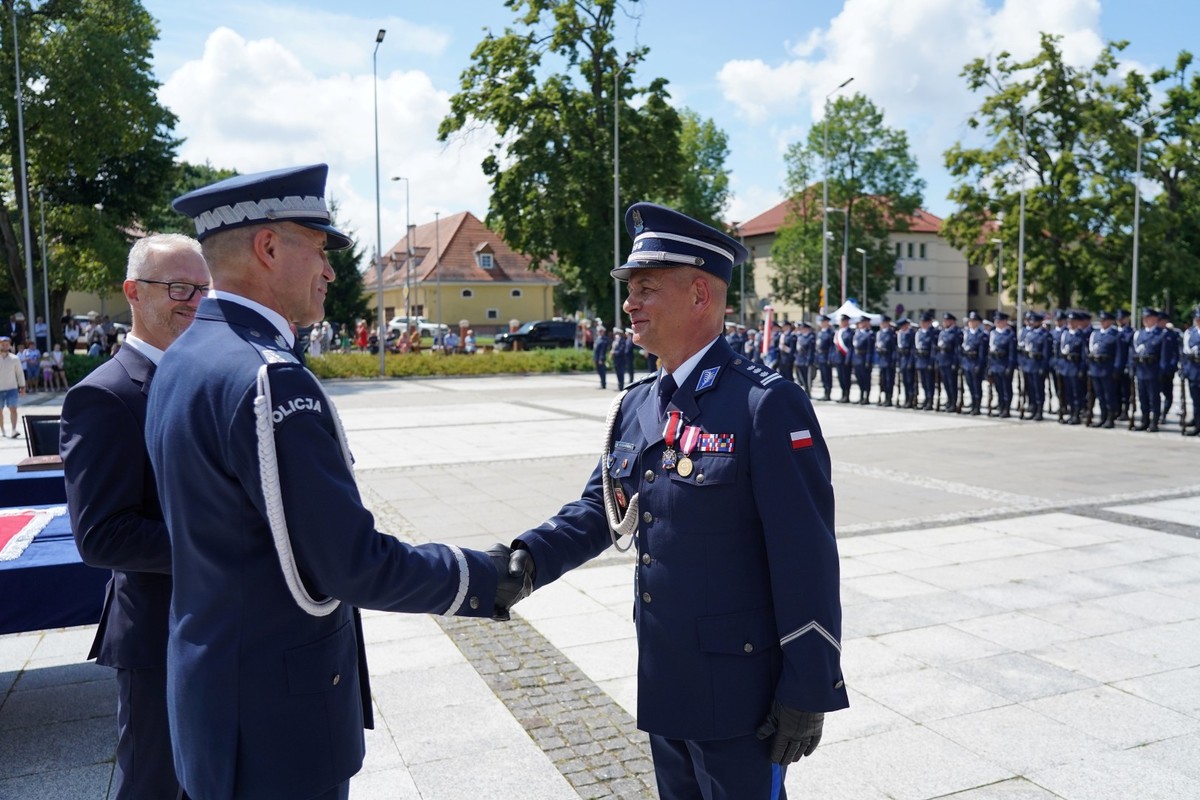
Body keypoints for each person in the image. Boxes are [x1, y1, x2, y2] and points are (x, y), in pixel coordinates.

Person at [153, 164, 527, 800]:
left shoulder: (186, 356)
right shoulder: (268, 376)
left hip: (215, 696)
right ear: (269, 248)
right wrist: (483, 575)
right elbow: (350, 564)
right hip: (276, 720)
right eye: (320, 249)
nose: (330, 271)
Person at [508, 202, 846, 799]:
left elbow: (806, 557)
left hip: (745, 697)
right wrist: (523, 561)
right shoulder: (639, 405)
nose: (629, 304)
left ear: (698, 295)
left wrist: (809, 687)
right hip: (666, 676)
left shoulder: (764, 406)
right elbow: (599, 510)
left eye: (644, 289)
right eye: (629, 290)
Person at [59, 234, 211, 800]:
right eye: (177, 287)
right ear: (132, 293)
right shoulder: (104, 396)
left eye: (202, 288)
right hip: (157, 634)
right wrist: (223, 542)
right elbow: (102, 535)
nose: (193, 301)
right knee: (155, 785)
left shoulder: (202, 378)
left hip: (216, 624)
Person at [1131, 307, 1165, 431]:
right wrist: (1132, 368)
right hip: (1141, 369)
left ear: (1155, 319)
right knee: (1142, 397)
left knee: (1154, 398)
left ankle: (1154, 422)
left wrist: (1162, 371)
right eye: (1144, 318)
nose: (1146, 320)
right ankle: (1144, 420)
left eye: (1148, 318)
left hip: (1153, 370)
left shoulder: (1161, 334)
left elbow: (1164, 355)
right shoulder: (1139, 333)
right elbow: (1132, 352)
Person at [1087, 310, 1120, 428]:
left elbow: (1118, 354)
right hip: (1096, 368)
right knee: (1100, 395)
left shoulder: (1115, 335)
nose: (1102, 322)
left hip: (1108, 369)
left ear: (1110, 321)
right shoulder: (1095, 334)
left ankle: (1110, 418)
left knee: (1109, 395)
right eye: (1101, 320)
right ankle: (1103, 417)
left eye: (1104, 320)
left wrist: (1116, 369)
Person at [987, 312, 1017, 417]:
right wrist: (989, 366)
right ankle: (1001, 406)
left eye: (999, 321)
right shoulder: (993, 333)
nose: (997, 322)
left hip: (1004, 365)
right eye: (996, 321)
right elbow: (989, 352)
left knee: (1006, 389)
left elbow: (1012, 354)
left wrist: (1010, 367)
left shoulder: (1010, 334)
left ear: (1004, 322)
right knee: (998, 388)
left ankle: (1006, 409)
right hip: (995, 364)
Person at [960, 312, 988, 415]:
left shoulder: (981, 335)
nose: (971, 323)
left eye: (973, 321)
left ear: (978, 323)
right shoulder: (966, 334)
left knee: (977, 386)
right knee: (970, 385)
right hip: (967, 362)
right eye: (970, 321)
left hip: (975, 362)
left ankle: (977, 406)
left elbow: (982, 353)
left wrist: (980, 365)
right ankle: (972, 404)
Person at [1157, 311, 1181, 422]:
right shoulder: (1155, 334)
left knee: (1168, 395)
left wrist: (1172, 367)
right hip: (1155, 371)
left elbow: (1175, 353)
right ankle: (1155, 414)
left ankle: (1164, 414)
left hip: (1167, 370)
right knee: (1154, 394)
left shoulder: (1172, 334)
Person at [936, 312, 962, 412]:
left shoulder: (956, 332)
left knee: (952, 384)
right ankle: (949, 400)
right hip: (942, 360)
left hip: (950, 361)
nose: (945, 322)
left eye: (947, 321)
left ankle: (953, 402)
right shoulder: (943, 332)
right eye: (944, 320)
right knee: (946, 383)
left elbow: (957, 350)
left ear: (952, 321)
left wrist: (955, 363)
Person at [0, 336, 25, 437]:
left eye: (7, 344)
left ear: (9, 345)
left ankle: (14, 430)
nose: (5, 346)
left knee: (13, 408)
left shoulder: (15, 358)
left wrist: (22, 386)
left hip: (12, 388)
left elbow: (19, 373)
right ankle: (2, 430)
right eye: (2, 344)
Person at [1181, 307, 1200, 436]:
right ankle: (1198, 425)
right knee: (1196, 401)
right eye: (1197, 319)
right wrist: (1184, 371)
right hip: (1194, 371)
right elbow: (1185, 354)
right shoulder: (1189, 333)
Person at [914, 313, 937, 410]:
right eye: (921, 322)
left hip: (928, 360)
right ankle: (926, 399)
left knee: (929, 382)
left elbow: (933, 348)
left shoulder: (932, 333)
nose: (923, 324)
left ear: (929, 323)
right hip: (920, 360)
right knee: (923, 382)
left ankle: (930, 400)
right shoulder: (919, 333)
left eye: (925, 322)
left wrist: (931, 362)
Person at [851, 316, 874, 404]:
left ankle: (866, 397)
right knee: (859, 378)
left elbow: (869, 350)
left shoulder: (869, 334)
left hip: (864, 358)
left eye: (862, 322)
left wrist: (868, 361)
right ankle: (861, 395)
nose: (860, 324)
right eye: (860, 323)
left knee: (866, 379)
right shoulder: (857, 333)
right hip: (857, 359)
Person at [875, 315, 897, 406]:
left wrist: (893, 360)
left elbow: (894, 349)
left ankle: (889, 398)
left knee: (889, 380)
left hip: (889, 360)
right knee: (882, 380)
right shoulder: (879, 333)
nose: (882, 324)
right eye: (881, 323)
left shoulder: (892, 334)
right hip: (882, 359)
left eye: (884, 322)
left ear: (888, 323)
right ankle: (883, 397)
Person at [814, 314, 834, 401]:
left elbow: (831, 347)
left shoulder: (830, 333)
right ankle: (825, 392)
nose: (821, 323)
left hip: (826, 356)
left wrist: (830, 358)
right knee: (822, 376)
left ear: (826, 322)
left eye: (823, 322)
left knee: (827, 376)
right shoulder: (820, 333)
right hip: (820, 356)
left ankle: (828, 393)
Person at [794, 321, 815, 393]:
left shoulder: (811, 337)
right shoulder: (800, 337)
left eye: (803, 328)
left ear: (807, 329)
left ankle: (808, 391)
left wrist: (808, 361)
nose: (801, 330)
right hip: (799, 359)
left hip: (806, 360)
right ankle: (805, 390)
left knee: (808, 377)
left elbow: (810, 351)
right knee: (802, 377)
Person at [593, 323, 611, 389]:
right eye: (598, 331)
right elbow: (595, 350)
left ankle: (603, 384)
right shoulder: (598, 338)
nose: (599, 332)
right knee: (599, 371)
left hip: (601, 359)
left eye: (600, 331)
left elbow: (602, 351)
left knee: (602, 372)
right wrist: (594, 358)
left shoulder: (603, 339)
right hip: (597, 358)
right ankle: (601, 383)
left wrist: (601, 359)